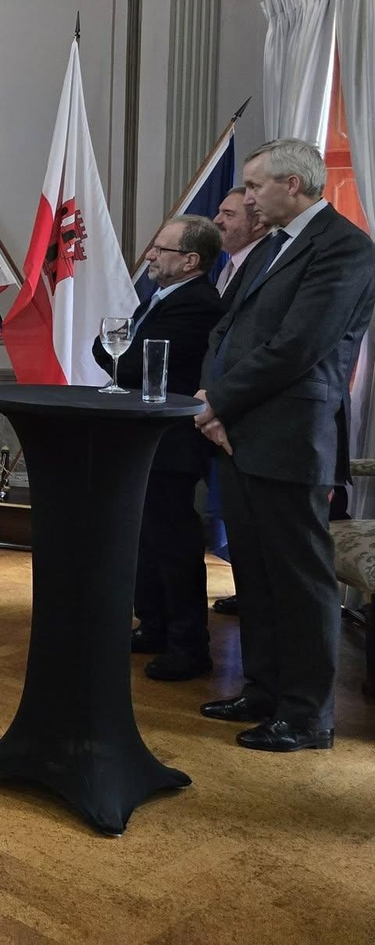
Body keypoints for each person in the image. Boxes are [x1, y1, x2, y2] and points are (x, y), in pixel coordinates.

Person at [194, 139, 375, 751]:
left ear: (293, 185)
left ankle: (307, 715)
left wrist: (219, 402)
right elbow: (229, 326)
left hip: (291, 434)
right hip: (241, 430)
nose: (247, 197)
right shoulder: (275, 245)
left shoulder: (346, 249)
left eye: (255, 185)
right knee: (257, 573)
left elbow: (300, 347)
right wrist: (215, 402)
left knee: (299, 578)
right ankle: (264, 689)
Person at [94, 215, 225, 679]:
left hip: (171, 442)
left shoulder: (198, 303)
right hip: (146, 438)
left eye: (161, 249)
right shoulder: (164, 297)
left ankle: (188, 645)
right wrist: (115, 353)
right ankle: (153, 626)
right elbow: (111, 350)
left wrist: (116, 354)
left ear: (190, 260)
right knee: (146, 540)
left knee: (173, 544)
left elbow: (128, 363)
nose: (150, 255)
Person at [209, 185, 271, 614]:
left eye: (228, 214)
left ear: (258, 222)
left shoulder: (268, 265)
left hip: (259, 419)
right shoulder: (229, 266)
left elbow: (266, 350)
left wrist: (217, 405)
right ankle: (248, 592)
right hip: (224, 412)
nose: (217, 221)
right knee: (243, 522)